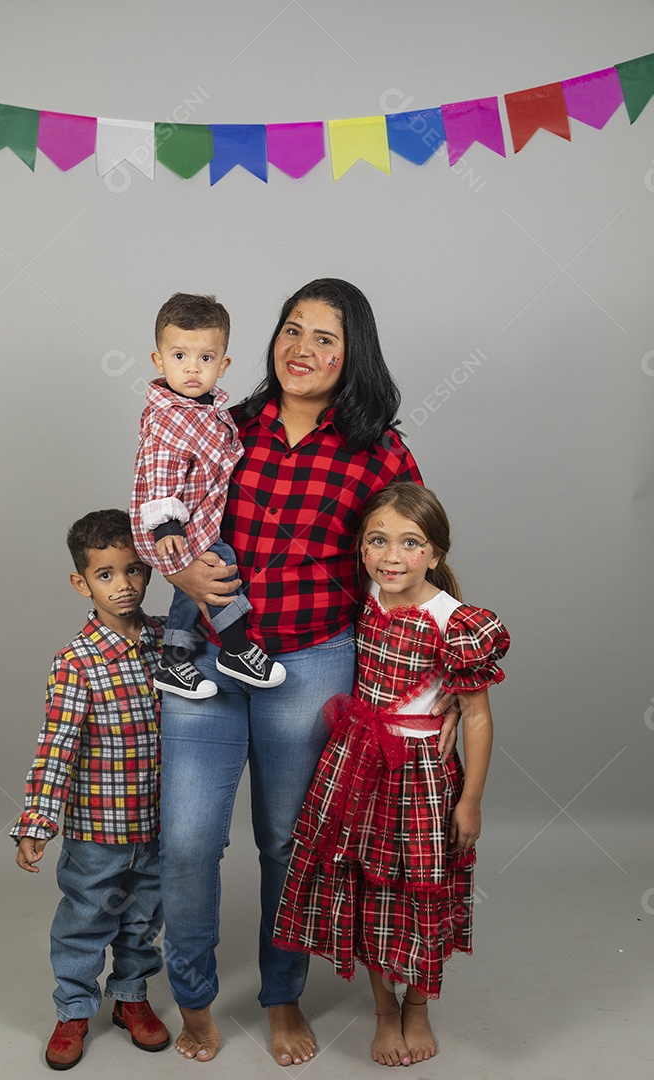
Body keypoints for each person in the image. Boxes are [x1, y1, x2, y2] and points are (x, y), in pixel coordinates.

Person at [154, 279, 459, 1065]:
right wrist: (178, 573)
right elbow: (159, 506)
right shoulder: (227, 426)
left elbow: (414, 561)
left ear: (354, 352)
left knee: (287, 841)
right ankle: (192, 1001)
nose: (303, 349)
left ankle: (281, 996)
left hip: (313, 659)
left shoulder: (378, 448)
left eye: (325, 337)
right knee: (187, 841)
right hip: (213, 662)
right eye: (292, 330)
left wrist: (442, 674)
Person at [273, 482, 510, 1067]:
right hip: (358, 766)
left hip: (424, 776)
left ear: (435, 553)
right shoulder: (365, 600)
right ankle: (383, 1010)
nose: (391, 556)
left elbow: (476, 718)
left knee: (419, 892)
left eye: (411, 543)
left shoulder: (455, 622)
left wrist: (471, 800)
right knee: (366, 885)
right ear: (361, 548)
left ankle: (419, 1006)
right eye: (377, 541)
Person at [11, 509, 171, 1071]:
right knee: (85, 920)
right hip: (97, 831)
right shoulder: (76, 663)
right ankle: (75, 1007)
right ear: (82, 582)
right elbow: (55, 750)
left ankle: (130, 999)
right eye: (106, 574)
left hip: (157, 823)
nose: (123, 585)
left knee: (144, 918)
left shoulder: (166, 642)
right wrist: (36, 823)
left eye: (133, 570)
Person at [130, 292, 285, 700]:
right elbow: (158, 470)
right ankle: (235, 648)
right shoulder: (170, 417)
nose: (192, 369)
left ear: (223, 364)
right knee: (220, 564)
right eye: (179, 356)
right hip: (172, 523)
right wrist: (166, 523)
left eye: (205, 358)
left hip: (197, 515)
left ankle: (173, 658)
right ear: (158, 361)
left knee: (189, 588)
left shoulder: (205, 408)